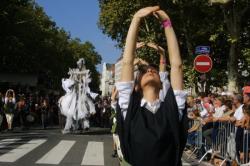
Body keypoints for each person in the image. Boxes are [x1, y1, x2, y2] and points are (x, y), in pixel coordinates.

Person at [115, 6, 187, 166]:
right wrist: (136, 20)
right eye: (144, 71)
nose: (149, 70)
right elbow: (127, 62)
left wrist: (167, 24)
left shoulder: (172, 109)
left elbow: (177, 66)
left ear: (162, 84)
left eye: (153, 70)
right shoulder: (130, 109)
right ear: (136, 86)